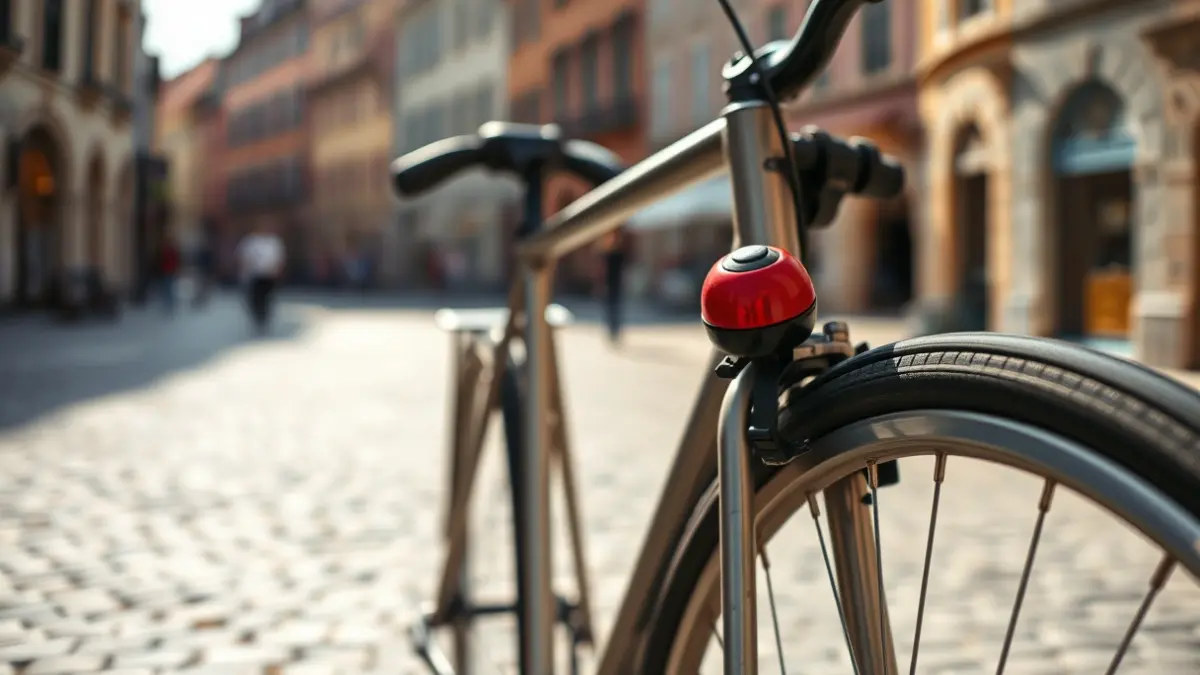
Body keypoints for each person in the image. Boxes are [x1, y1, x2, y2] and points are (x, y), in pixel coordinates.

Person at [235, 223, 285, 334]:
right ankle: (258, 317)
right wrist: (245, 271)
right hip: (255, 275)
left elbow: (279, 258)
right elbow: (243, 257)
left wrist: (278, 271)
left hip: (269, 275)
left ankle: (264, 318)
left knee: (267, 298)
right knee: (255, 298)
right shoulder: (250, 241)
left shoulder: (273, 242)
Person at [601, 227, 629, 346]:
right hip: (609, 286)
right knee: (610, 310)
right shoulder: (608, 254)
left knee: (615, 309)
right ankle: (612, 332)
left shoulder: (617, 254)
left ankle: (615, 332)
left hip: (616, 286)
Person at [158, 236, 182, 314]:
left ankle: (170, 305)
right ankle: (168, 305)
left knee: (169, 289)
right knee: (167, 289)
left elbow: (175, 262)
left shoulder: (170, 252)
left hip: (170, 272)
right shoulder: (167, 251)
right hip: (166, 272)